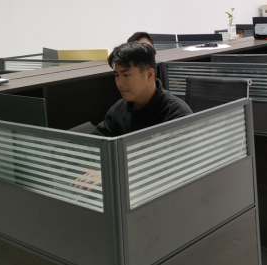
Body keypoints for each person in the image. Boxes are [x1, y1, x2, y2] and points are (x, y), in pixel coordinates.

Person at [73, 42, 192, 190]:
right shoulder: (119, 109)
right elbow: (95, 145)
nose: (119, 83)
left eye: (126, 75)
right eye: (116, 75)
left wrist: (112, 174)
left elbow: (167, 168)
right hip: (123, 189)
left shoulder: (176, 113)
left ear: (149, 74)